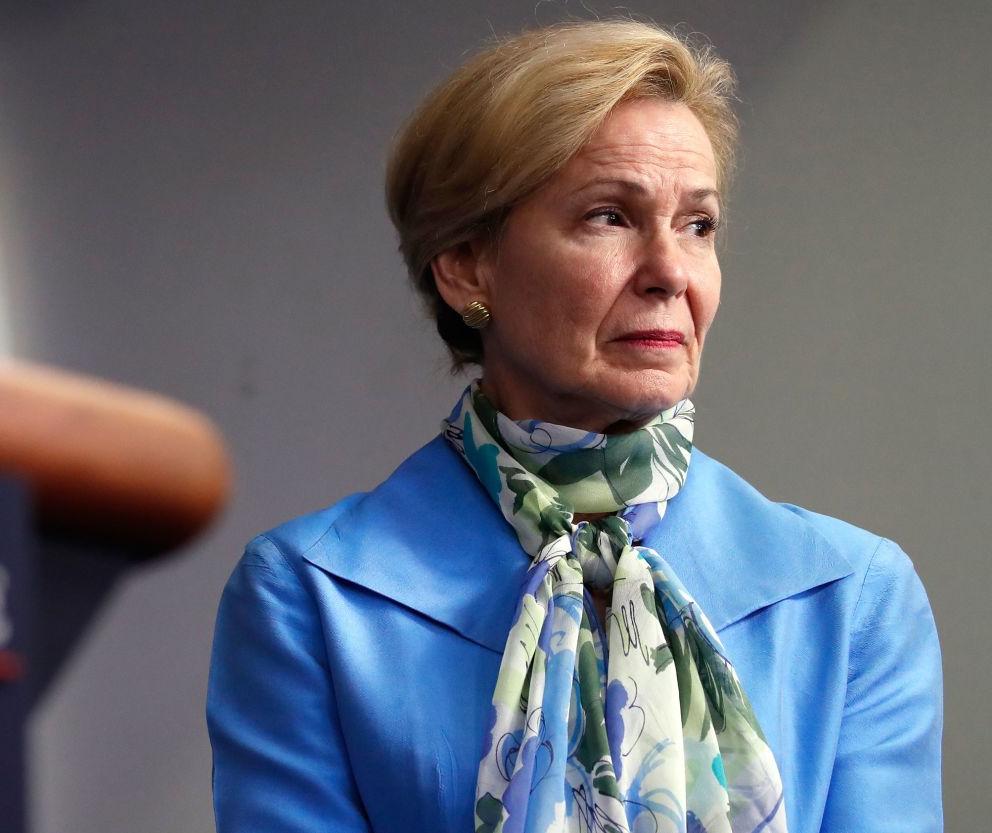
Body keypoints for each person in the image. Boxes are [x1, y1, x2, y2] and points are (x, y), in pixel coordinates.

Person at [206, 18, 943, 833]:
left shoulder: (852, 599)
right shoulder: (311, 600)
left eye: (698, 225)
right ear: (465, 265)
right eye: (609, 217)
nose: (670, 272)